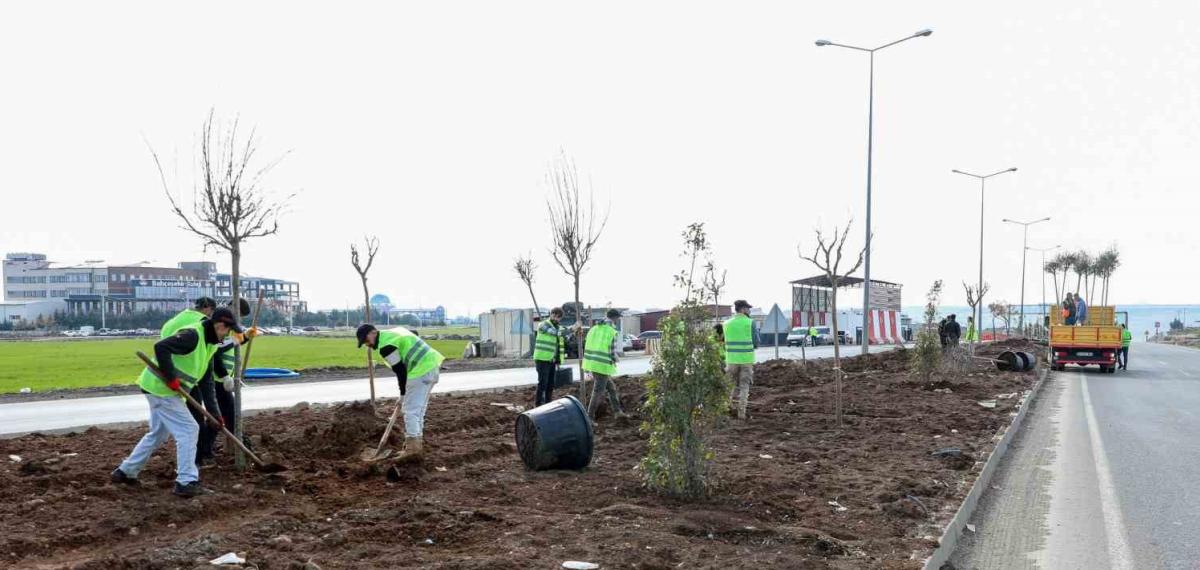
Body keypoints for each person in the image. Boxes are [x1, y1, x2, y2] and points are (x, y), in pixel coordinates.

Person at [111, 308, 241, 497]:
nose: (227, 335)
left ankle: (125, 471)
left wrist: (214, 413)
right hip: (160, 389)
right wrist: (171, 378)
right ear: (220, 325)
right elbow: (160, 347)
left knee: (158, 434)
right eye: (227, 331)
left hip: (161, 391)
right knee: (189, 429)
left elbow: (207, 381)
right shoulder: (193, 335)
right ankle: (186, 481)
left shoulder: (210, 343)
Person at [357, 324, 445, 463]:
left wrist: (403, 394)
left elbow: (400, 371)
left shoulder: (386, 346)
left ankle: (412, 449)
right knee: (418, 410)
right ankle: (416, 443)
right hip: (431, 367)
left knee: (409, 411)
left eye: (366, 340)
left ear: (373, 332)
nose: (367, 344)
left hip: (419, 372)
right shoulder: (392, 333)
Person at [583, 309, 626, 420]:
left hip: (592, 362)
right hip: (601, 365)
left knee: (611, 388)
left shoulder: (594, 328)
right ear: (615, 318)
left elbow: (587, 344)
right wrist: (614, 359)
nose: (618, 320)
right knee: (597, 392)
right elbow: (611, 350)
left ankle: (618, 412)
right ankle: (589, 418)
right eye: (618, 318)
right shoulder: (611, 330)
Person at [723, 300, 759, 420]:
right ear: (743, 309)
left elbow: (724, 342)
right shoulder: (750, 323)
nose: (749, 311)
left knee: (730, 386)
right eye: (748, 309)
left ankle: (727, 410)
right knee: (744, 386)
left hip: (731, 360)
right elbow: (756, 343)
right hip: (746, 360)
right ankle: (741, 414)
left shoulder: (726, 323)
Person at [531, 308, 567, 407]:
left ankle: (548, 404)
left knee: (550, 384)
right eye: (554, 315)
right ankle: (538, 405)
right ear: (550, 314)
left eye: (558, 317)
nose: (556, 318)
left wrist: (575, 329)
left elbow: (565, 333)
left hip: (552, 360)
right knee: (543, 383)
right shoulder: (543, 325)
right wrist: (572, 329)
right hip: (542, 359)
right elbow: (556, 333)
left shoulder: (558, 327)